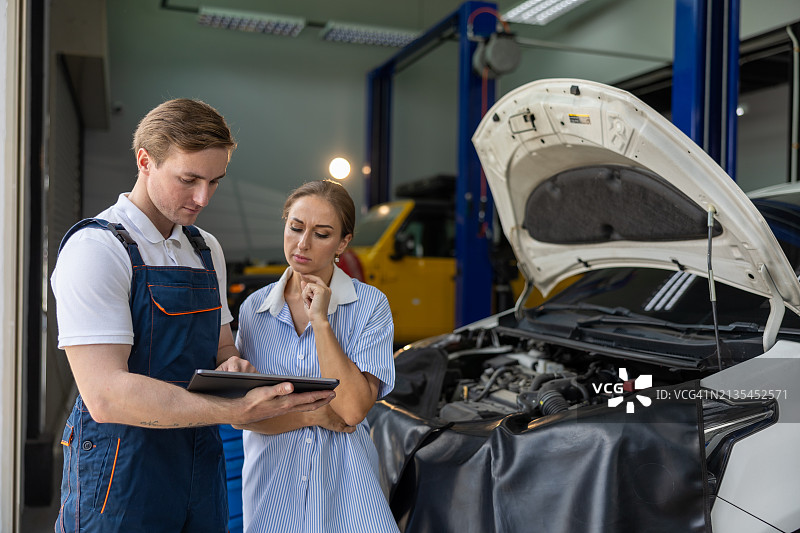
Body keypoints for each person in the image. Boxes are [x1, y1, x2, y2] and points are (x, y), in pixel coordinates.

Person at [51, 99, 335, 533]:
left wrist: (234, 367)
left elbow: (222, 347)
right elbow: (105, 396)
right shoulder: (96, 250)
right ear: (145, 161)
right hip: (120, 472)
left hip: (200, 463)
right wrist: (234, 410)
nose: (202, 198)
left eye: (214, 181)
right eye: (189, 180)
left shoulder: (205, 249)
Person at [234, 180, 400, 533]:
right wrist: (315, 414)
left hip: (349, 492)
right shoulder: (254, 310)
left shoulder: (370, 306)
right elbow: (242, 416)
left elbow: (352, 410)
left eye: (322, 234)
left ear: (342, 243)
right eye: (296, 228)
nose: (303, 243)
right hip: (272, 492)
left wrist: (321, 321)